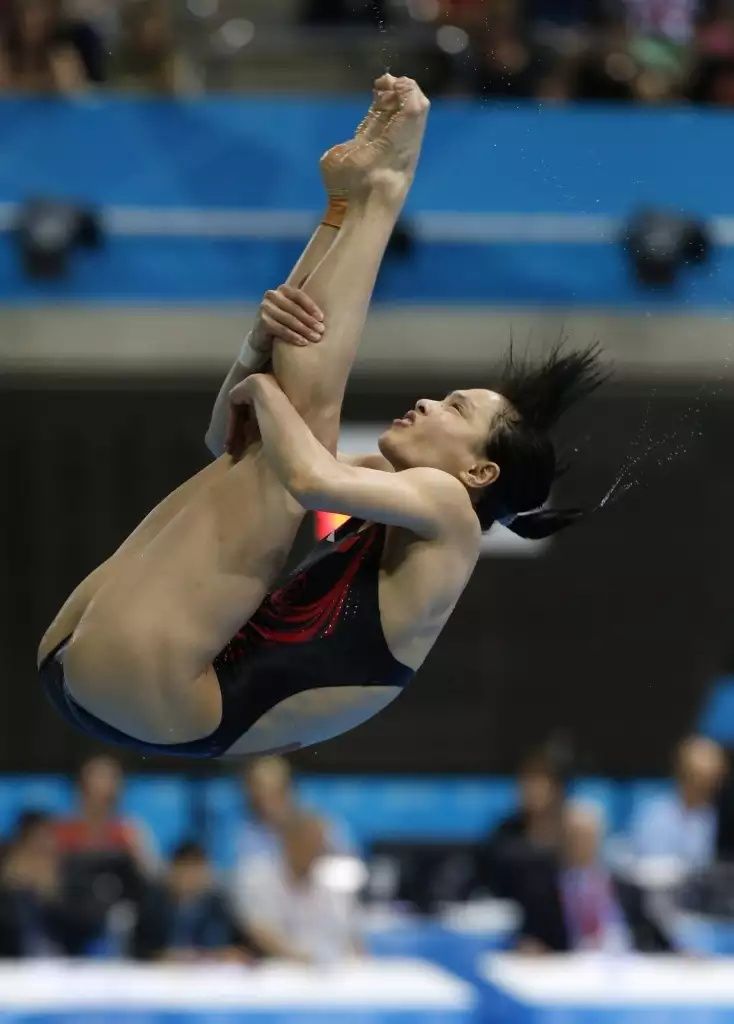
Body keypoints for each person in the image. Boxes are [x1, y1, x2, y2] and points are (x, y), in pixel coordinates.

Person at [37, 74, 605, 762]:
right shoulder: (392, 498)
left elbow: (304, 476)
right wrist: (256, 346)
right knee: (269, 446)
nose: (429, 402)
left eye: (455, 408)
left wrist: (261, 384)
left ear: (480, 471)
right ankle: (346, 207)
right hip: (113, 677)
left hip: (165, 693)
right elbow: (230, 441)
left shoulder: (451, 511)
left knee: (296, 433)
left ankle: (382, 194)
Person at [515, 803, 670, 954]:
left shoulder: (626, 888)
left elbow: (655, 939)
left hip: (623, 962)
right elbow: (530, 939)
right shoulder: (542, 890)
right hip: (570, 964)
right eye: (575, 837)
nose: (581, 844)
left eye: (588, 837)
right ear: (562, 839)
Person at [233, 811, 360, 964]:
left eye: (320, 845)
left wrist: (354, 962)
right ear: (289, 842)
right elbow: (259, 930)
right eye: (309, 843)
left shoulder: (333, 879)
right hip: (277, 965)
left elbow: (350, 932)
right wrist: (298, 958)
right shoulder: (258, 876)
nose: (316, 851)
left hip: (329, 966)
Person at [0, 811, 102, 957]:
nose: (44, 846)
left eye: (48, 838)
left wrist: (50, 897)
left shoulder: (72, 874)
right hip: (11, 960)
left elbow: (89, 926)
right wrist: (11, 887)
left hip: (66, 961)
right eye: (35, 841)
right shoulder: (8, 878)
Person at [133, 841, 250, 963]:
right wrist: (164, 955)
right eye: (185, 869)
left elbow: (239, 945)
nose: (190, 877)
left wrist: (225, 953)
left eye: (196, 870)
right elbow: (138, 949)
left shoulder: (219, 905)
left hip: (208, 970)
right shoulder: (154, 905)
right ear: (172, 871)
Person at [235, 756, 353, 870]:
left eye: (276, 793)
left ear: (289, 790)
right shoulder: (245, 834)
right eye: (261, 796)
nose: (267, 804)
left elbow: (349, 868)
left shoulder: (323, 826)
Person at [627, 736, 727, 871]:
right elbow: (650, 867)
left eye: (714, 780)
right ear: (682, 774)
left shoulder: (710, 815)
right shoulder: (655, 813)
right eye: (700, 779)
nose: (709, 787)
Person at [54, 755, 159, 877]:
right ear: (81, 789)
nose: (105, 787)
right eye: (98, 781)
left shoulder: (131, 831)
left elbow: (154, 873)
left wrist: (134, 853)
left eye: (112, 781)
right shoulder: (61, 830)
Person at [480, 750, 566, 898]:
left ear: (554, 788)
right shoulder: (505, 831)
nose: (531, 790)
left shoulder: (569, 830)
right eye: (525, 783)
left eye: (538, 783)